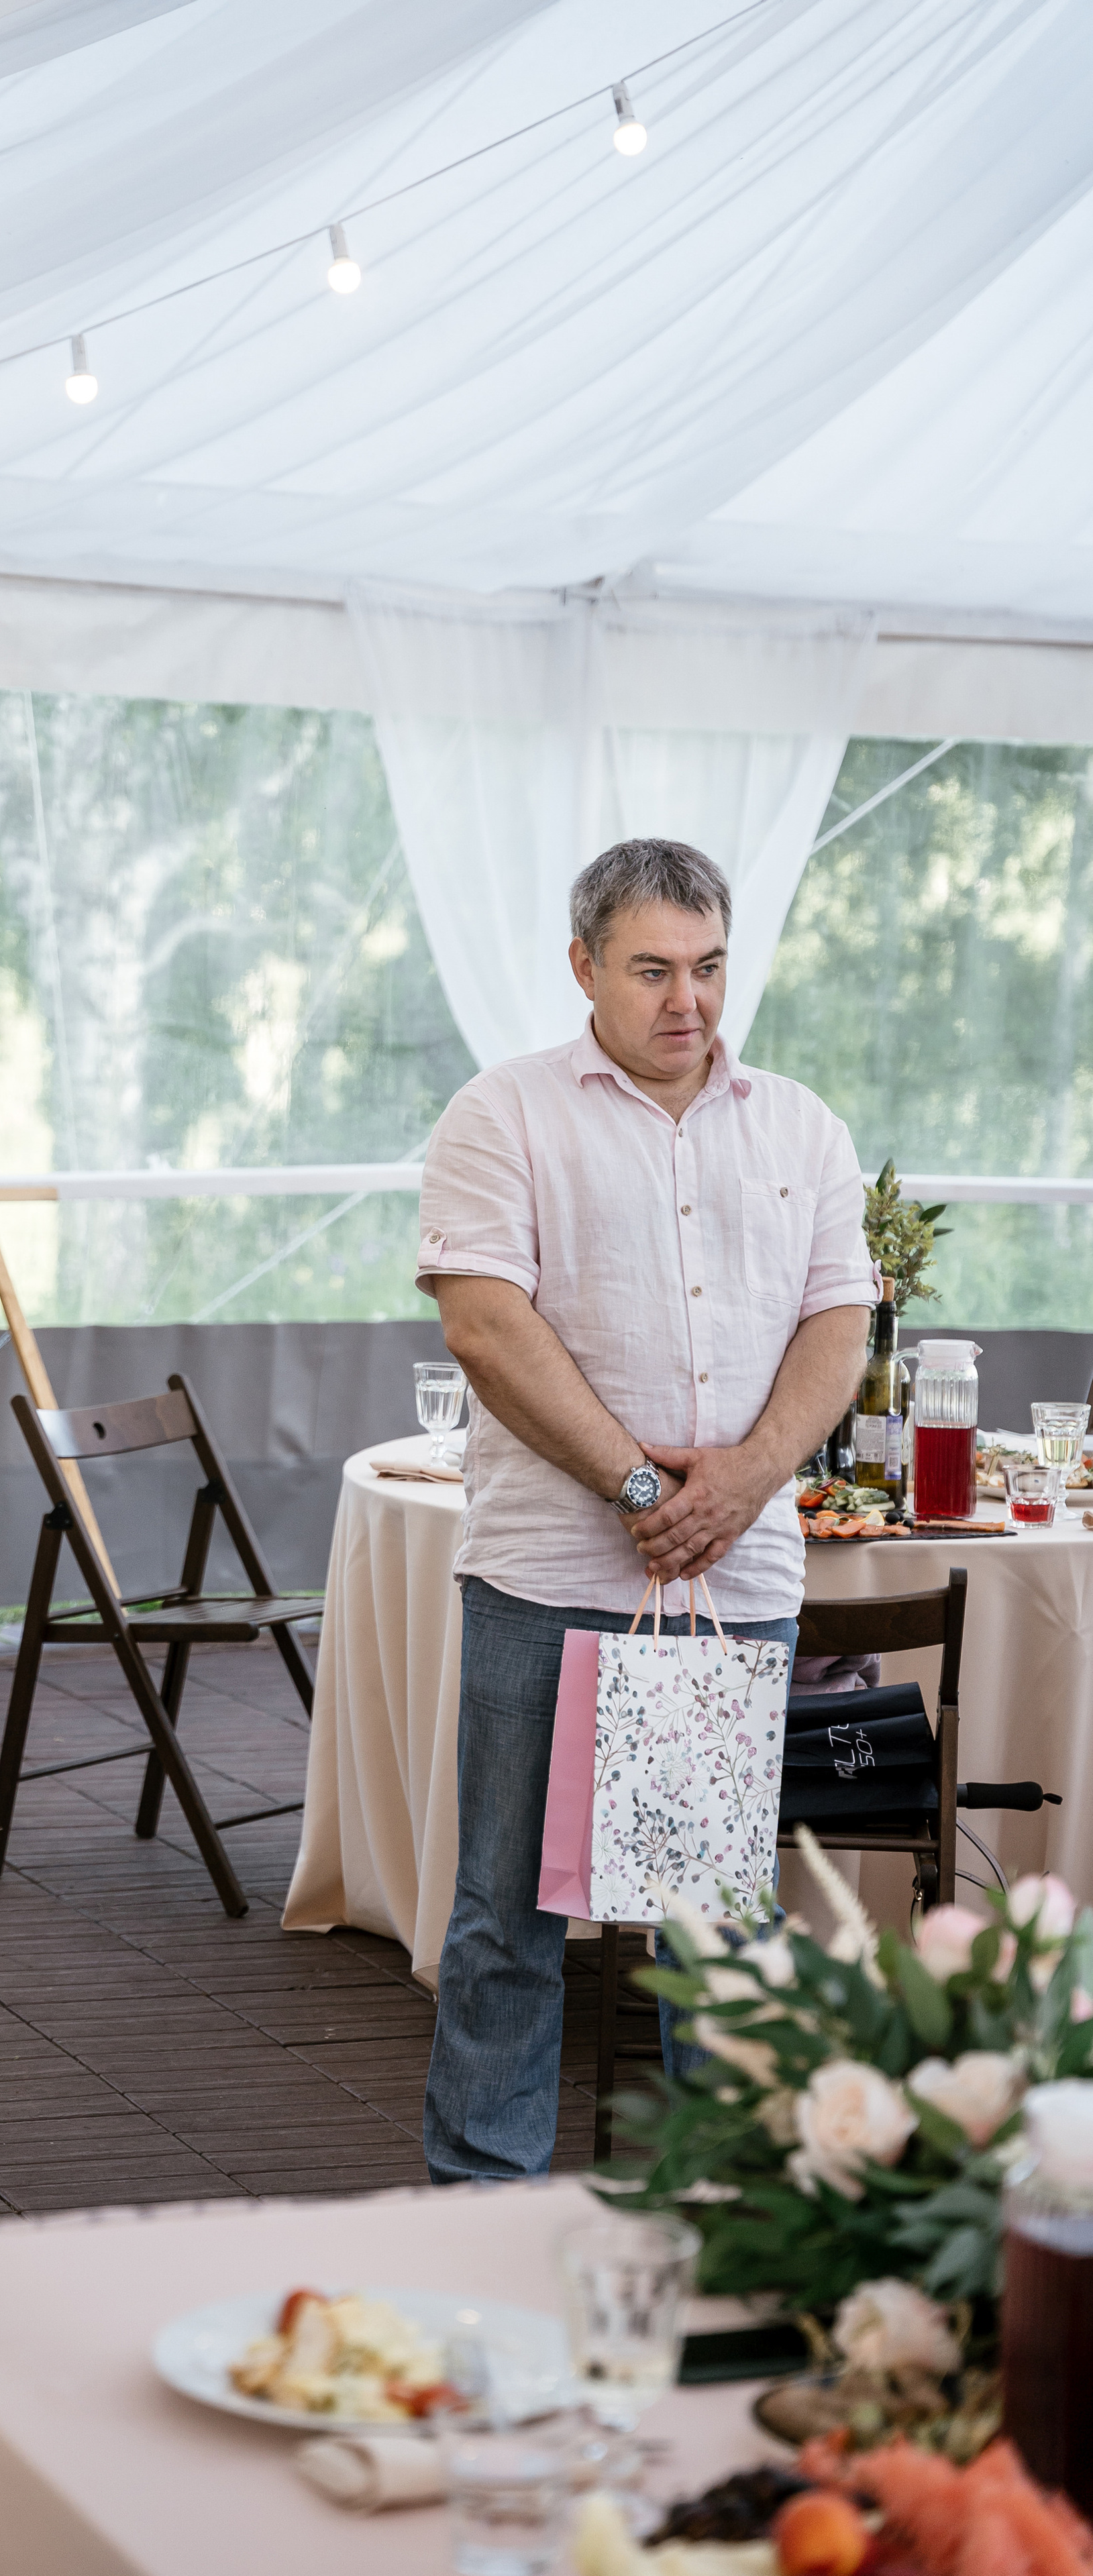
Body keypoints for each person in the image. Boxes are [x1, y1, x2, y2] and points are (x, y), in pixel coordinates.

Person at [415, 837, 875, 2183]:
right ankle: (476, 2205)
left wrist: (740, 1480)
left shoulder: (800, 1126)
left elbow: (836, 1321)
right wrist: (633, 1485)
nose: (688, 1002)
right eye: (653, 970)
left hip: (726, 1593)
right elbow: (485, 1330)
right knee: (507, 1921)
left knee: (709, 1927)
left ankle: (717, 2212)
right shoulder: (500, 1115)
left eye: (710, 968)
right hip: (548, 1578)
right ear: (582, 968)